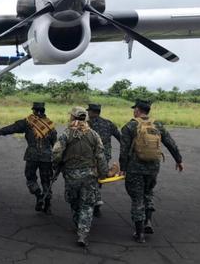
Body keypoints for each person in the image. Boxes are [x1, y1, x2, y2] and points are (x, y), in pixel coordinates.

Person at [119, 99, 184, 244]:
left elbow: (124, 151)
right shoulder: (158, 125)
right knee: (148, 193)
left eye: (134, 109)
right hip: (153, 167)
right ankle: (148, 221)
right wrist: (178, 160)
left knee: (137, 198)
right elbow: (170, 143)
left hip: (135, 169)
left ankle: (140, 233)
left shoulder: (130, 126)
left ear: (137, 110)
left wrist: (123, 168)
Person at [52, 106, 108, 247]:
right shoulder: (94, 134)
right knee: (87, 205)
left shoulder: (66, 133)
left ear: (72, 117)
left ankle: (78, 226)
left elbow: (56, 153)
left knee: (74, 202)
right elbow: (100, 156)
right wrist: (103, 173)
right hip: (89, 175)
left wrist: (57, 165)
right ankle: (83, 234)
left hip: (71, 175)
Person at [0, 102, 57, 214]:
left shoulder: (28, 122)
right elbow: (55, 143)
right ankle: (47, 205)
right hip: (47, 157)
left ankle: (38, 195)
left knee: (31, 178)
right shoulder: (50, 124)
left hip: (32, 156)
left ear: (34, 111)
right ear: (44, 111)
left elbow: (13, 128)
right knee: (46, 180)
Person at [87, 103, 121, 217]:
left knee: (91, 180)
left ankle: (94, 203)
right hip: (104, 157)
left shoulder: (87, 124)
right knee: (99, 179)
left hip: (90, 157)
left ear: (91, 112)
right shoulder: (108, 123)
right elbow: (121, 138)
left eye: (89, 111)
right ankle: (96, 204)